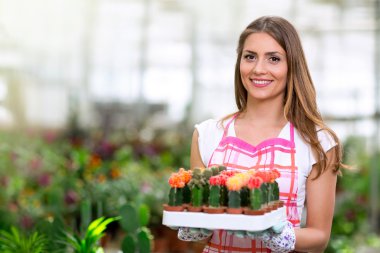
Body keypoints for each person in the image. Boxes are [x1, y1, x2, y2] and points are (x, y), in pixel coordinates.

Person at [177, 16, 344, 253]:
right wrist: (194, 224)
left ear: (292, 66)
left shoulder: (317, 142)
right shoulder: (207, 135)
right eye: (250, 57)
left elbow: (319, 238)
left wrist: (275, 232)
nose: (258, 69)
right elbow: (201, 227)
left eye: (274, 59)